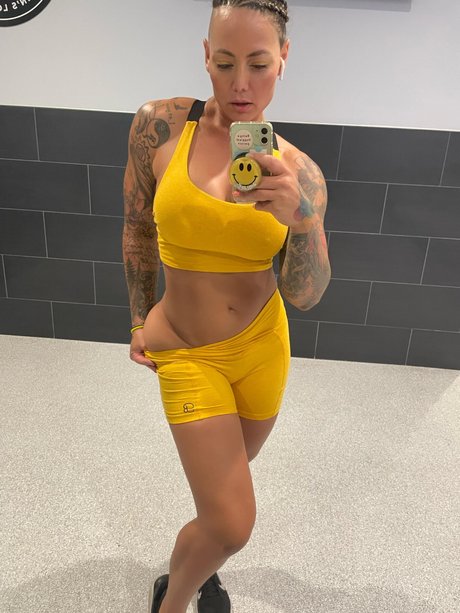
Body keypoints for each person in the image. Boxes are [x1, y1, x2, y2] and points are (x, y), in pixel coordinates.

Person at [122, 1, 331, 611]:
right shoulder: (159, 127)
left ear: (283, 59)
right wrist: (138, 316)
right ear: (205, 55)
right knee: (233, 522)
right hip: (185, 348)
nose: (241, 84)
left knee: (220, 504)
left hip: (263, 350)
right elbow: (137, 228)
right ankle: (173, 601)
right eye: (224, 62)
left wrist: (302, 220)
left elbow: (307, 294)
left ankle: (194, 569)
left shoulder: (299, 172)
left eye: (259, 64)